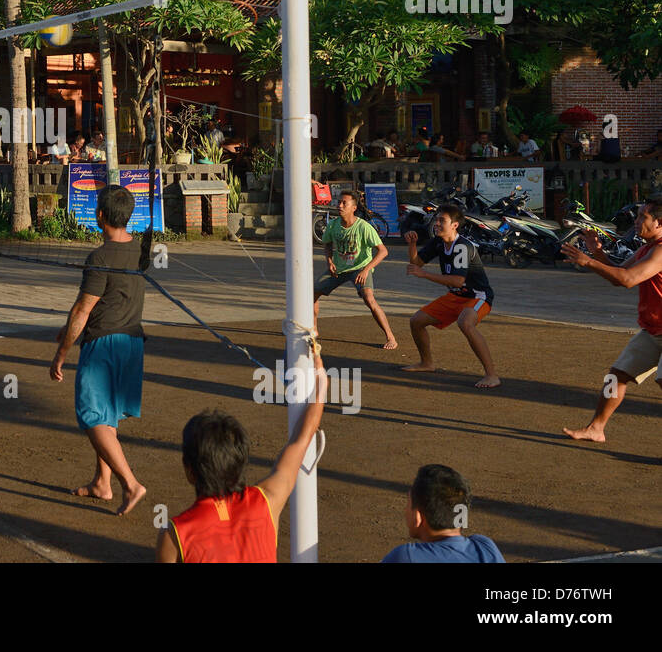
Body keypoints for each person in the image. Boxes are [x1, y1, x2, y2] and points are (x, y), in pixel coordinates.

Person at [156, 356, 327, 562]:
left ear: (189, 470)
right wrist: (321, 385)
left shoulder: (174, 534)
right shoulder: (268, 500)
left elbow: (301, 438)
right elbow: (302, 438)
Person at [50, 184, 147, 517]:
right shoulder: (139, 251)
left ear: (100, 215)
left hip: (103, 344)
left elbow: (82, 310)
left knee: (92, 415)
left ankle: (131, 484)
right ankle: (102, 484)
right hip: (132, 343)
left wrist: (61, 353)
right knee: (107, 416)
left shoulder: (100, 257)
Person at [560, 201, 662, 443]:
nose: (636, 222)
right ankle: (596, 428)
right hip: (653, 330)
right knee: (615, 377)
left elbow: (628, 280)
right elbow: (618, 275)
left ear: (659, 223)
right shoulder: (647, 249)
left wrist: (588, 261)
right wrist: (596, 253)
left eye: (642, 217)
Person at [403, 205, 501, 388]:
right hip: (456, 296)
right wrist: (412, 245)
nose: (437, 224)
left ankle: (492, 375)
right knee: (416, 321)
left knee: (465, 323)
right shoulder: (438, 242)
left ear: (455, 225)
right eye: (437, 219)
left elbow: (457, 280)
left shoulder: (462, 246)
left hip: (477, 296)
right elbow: (416, 263)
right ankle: (427, 363)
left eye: (442, 221)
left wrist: (424, 274)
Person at [314, 190, 397, 349]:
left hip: (359, 268)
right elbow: (327, 244)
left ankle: (390, 337)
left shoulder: (364, 227)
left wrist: (366, 270)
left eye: (344, 203)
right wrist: (329, 261)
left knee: (369, 298)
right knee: (313, 293)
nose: (340, 205)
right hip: (339, 269)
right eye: (339, 202)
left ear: (354, 207)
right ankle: (313, 330)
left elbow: (383, 251)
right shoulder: (333, 225)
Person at [381, 465, 504, 563]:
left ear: (418, 517)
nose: (405, 510)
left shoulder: (406, 556)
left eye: (408, 504)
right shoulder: (485, 548)